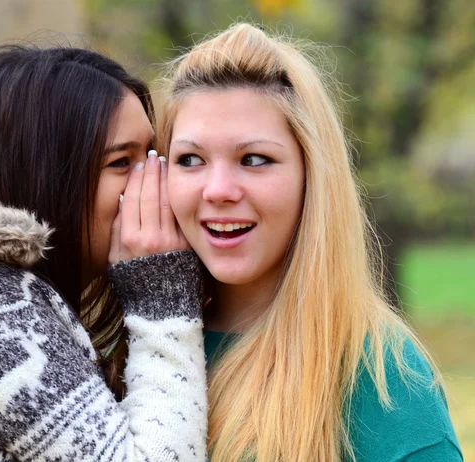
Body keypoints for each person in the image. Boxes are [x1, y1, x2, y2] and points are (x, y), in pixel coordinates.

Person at [0, 44, 207, 460]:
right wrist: (161, 294)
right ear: (49, 178)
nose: (156, 183)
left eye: (154, 156)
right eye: (123, 162)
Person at [158, 23, 463, 461]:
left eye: (255, 159)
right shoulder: (124, 351)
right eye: (191, 160)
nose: (218, 189)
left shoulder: (383, 380)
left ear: (312, 175)